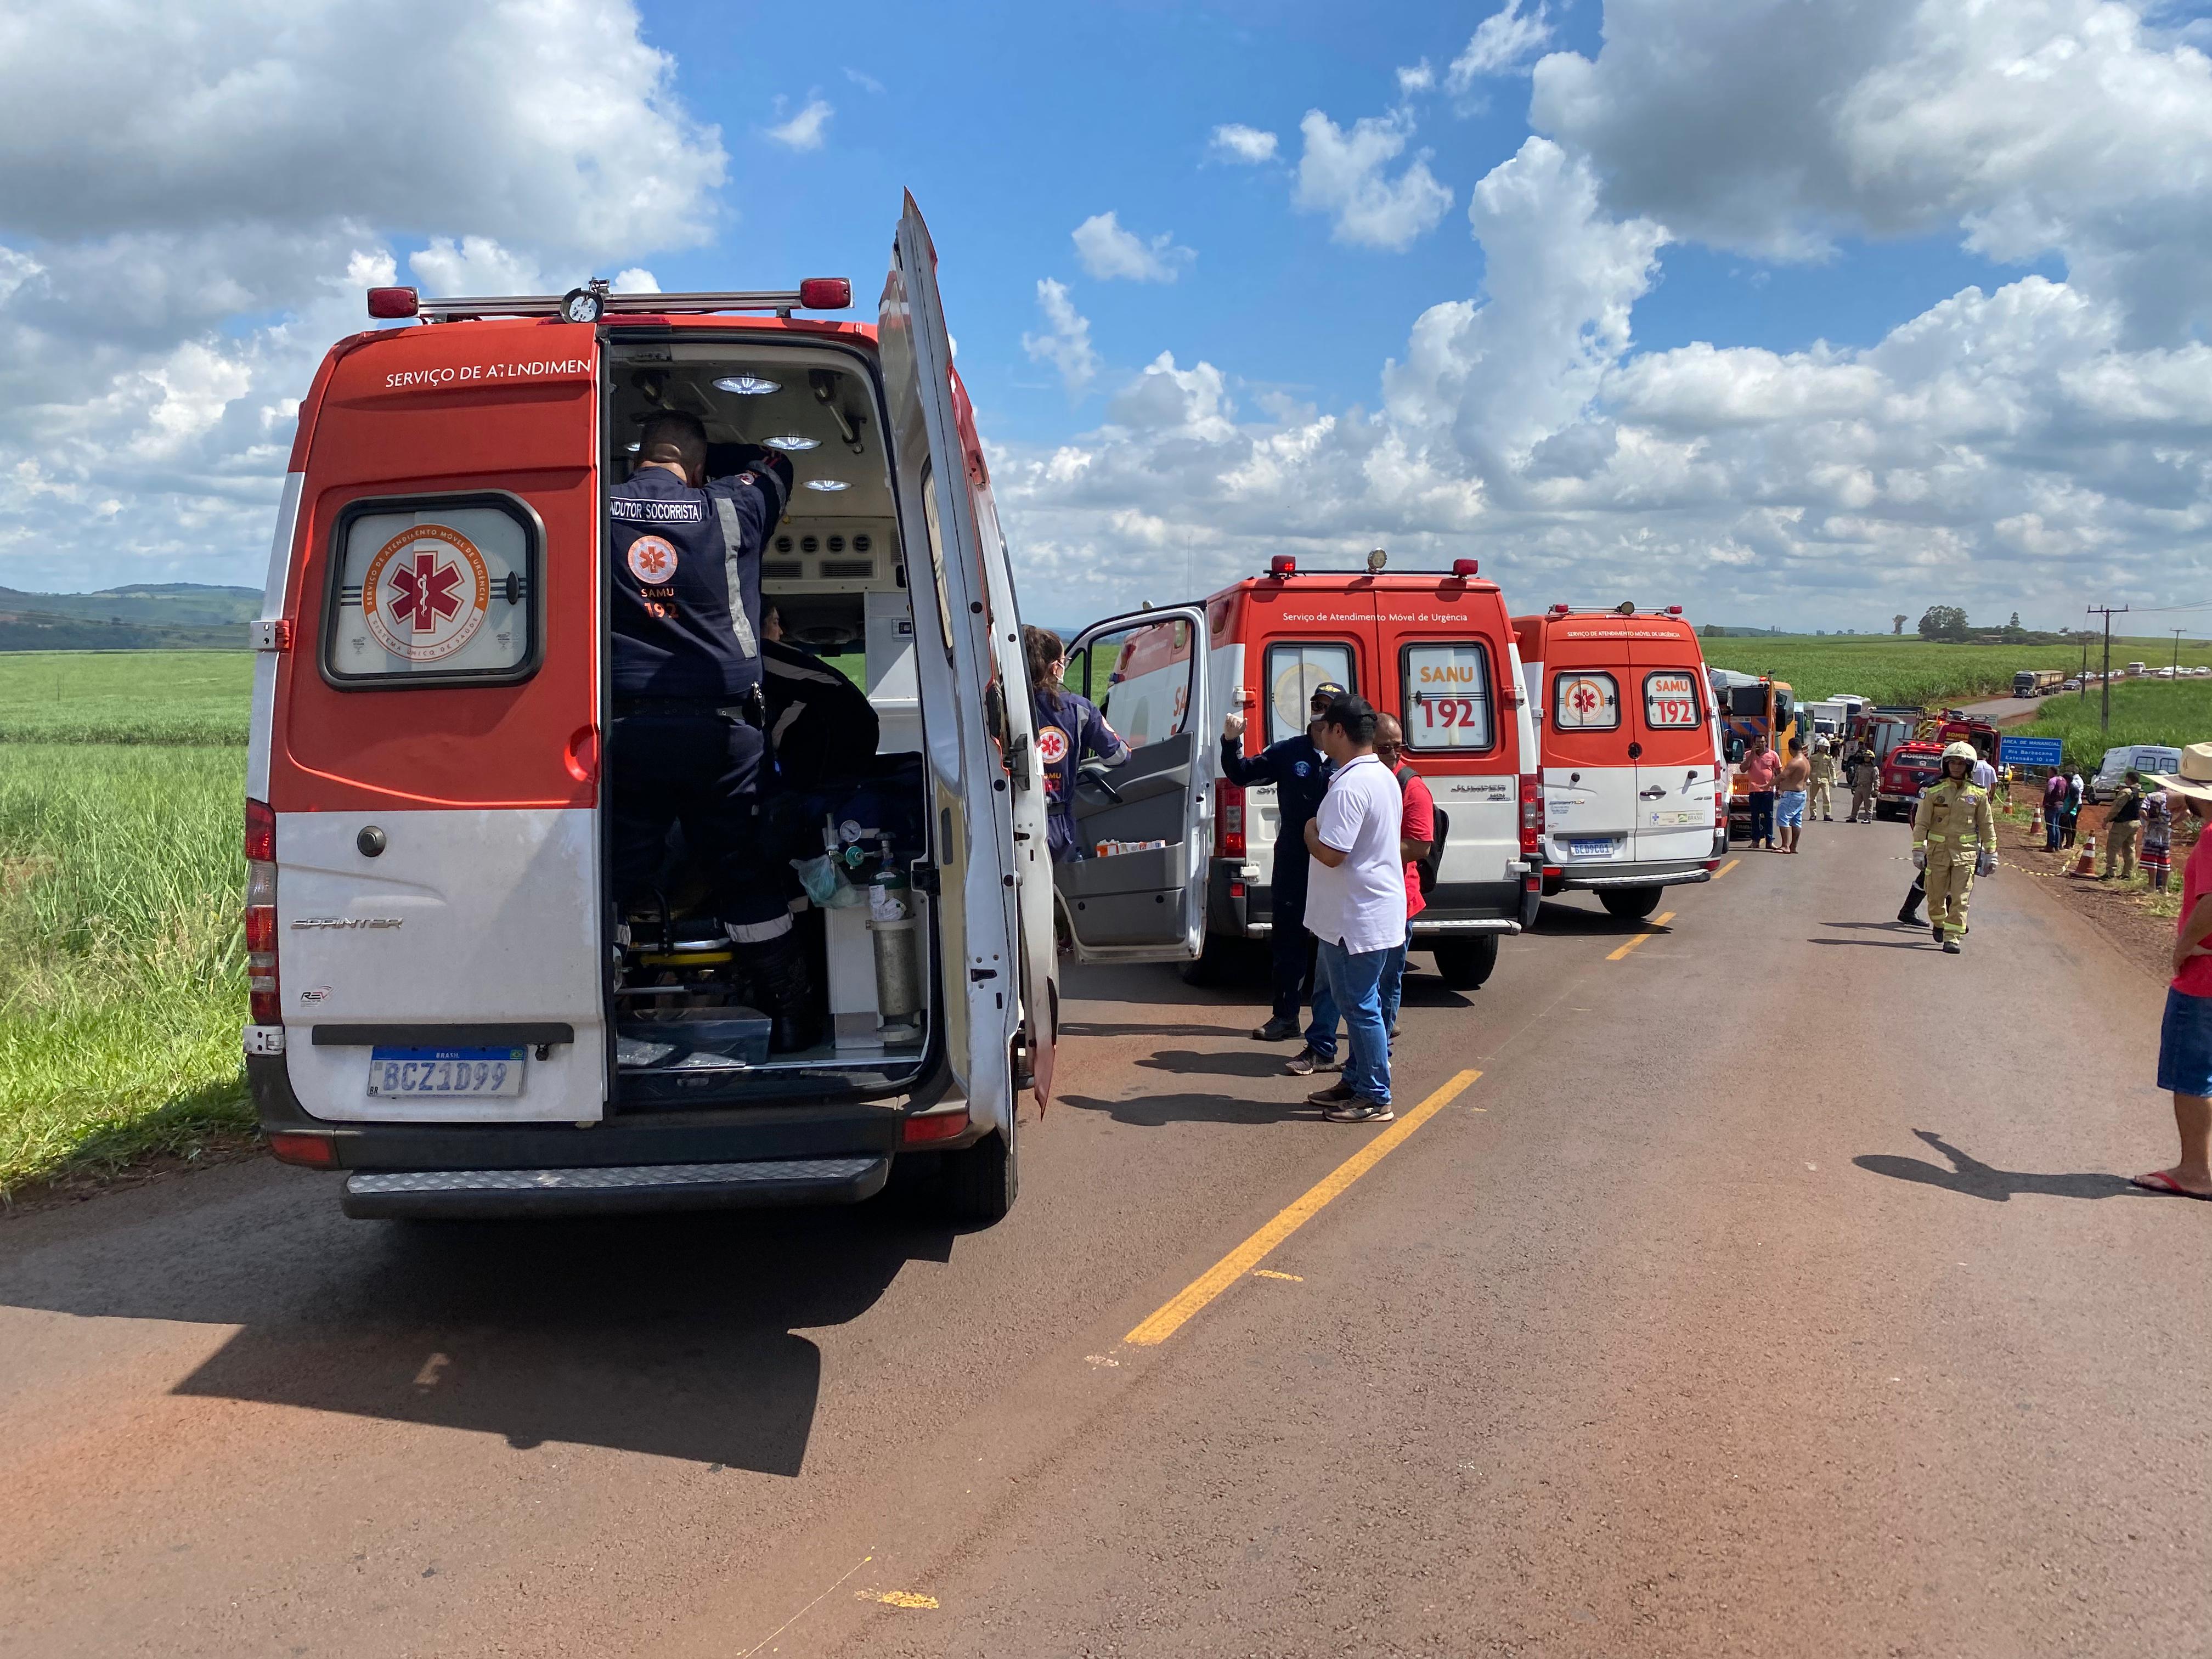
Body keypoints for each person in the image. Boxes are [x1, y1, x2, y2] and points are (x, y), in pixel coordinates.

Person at [608, 410, 818, 1049]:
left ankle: (605, 1021)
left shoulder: (593, 506)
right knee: (744, 872)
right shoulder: (730, 508)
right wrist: (705, 461)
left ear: (637, 459)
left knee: (608, 876)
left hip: (620, 737)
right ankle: (791, 1015)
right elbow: (777, 463)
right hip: (723, 740)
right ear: (698, 468)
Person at [1297, 693, 1406, 1124]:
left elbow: (1331, 853)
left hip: (1354, 917)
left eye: (1324, 727)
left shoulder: (1351, 785)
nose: (1320, 734)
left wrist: (1308, 830)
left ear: (1339, 731)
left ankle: (1376, 1095)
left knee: (1359, 1006)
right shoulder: (1379, 775)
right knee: (1361, 1003)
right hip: (1363, 911)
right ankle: (1358, 1081)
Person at [1224, 681, 1345, 1046]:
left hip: (1338, 860)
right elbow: (1242, 774)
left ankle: (1359, 1018)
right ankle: (1286, 1017)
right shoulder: (1290, 752)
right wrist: (1231, 742)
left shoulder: (1349, 757)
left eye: (1328, 705)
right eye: (1316, 703)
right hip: (1295, 856)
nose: (1320, 710)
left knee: (1343, 942)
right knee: (1289, 940)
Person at [2131, 743, 2212, 1201]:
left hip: (2204, 975)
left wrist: (2183, 947)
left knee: (2192, 1073)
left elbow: (2211, 902)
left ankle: (2195, 1170)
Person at [1026, 624, 1128, 865]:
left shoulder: (1005, 707)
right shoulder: (1078, 708)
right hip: (1056, 826)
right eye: (1065, 660)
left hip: (1010, 823)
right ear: (1055, 668)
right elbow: (1118, 756)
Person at [760, 602, 879, 791]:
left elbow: (818, 693)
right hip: (854, 734)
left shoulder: (764, 656)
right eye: (775, 623)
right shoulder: (784, 658)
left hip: (838, 734)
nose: (781, 632)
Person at [1911, 740, 1995, 954]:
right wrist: (1918, 850)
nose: (1957, 767)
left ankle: (1953, 937)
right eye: (1953, 762)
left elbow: (1986, 825)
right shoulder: (1933, 791)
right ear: (1945, 764)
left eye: (1961, 763)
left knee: (1961, 898)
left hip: (1966, 856)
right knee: (1935, 897)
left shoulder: (1979, 794)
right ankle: (1940, 924)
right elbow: (1921, 824)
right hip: (1937, 854)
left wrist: (1991, 853)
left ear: (1969, 766)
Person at [2103, 768, 2145, 882]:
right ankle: (2128, 874)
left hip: (2123, 823)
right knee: (2130, 849)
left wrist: (2107, 820)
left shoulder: (2127, 792)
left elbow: (2116, 809)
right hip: (2136, 823)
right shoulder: (2141, 792)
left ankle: (2110, 872)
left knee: (2113, 848)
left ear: (2129, 779)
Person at [1774, 738, 1812, 853]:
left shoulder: (1795, 761)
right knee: (1796, 820)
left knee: (1783, 818)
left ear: (1791, 748)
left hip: (1792, 794)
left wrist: (1768, 785)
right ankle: (1793, 846)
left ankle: (1785, 846)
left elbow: (1782, 776)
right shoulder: (1806, 761)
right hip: (1801, 794)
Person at [1742, 736, 1780, 848]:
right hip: (1754, 790)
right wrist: (1752, 755)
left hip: (1768, 790)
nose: (1761, 744)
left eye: (1763, 742)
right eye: (1758, 742)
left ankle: (1769, 841)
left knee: (1768, 816)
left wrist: (1779, 787)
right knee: (1755, 816)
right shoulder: (1749, 754)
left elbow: (1779, 772)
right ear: (1754, 743)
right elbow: (1743, 769)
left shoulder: (1773, 755)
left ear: (1766, 742)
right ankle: (1755, 841)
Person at [2142, 787, 2174, 894]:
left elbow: (2142, 811)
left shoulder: (2151, 796)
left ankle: (2152, 886)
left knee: (2152, 858)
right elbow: (2187, 813)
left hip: (2153, 831)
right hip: (2166, 832)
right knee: (2164, 859)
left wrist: (2149, 820)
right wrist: (2172, 823)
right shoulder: (2172, 798)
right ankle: (2164, 888)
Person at [1848, 743, 1878, 823]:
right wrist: (1854, 785)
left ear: (1871, 758)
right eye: (1865, 757)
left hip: (1868, 788)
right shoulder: (1860, 767)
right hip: (1859, 787)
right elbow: (1856, 776)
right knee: (1856, 803)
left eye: (1868, 757)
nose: (1866, 759)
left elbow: (1876, 779)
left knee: (1868, 804)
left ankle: (1868, 818)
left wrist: (1876, 789)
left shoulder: (1874, 769)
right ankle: (1853, 817)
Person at [1809, 738, 1837, 822]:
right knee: (1813, 798)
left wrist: (1834, 779)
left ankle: (1827, 814)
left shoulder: (1828, 758)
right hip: (1814, 780)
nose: (1824, 748)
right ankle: (1813, 815)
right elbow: (1809, 768)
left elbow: (1832, 769)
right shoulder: (1813, 757)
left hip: (1825, 781)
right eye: (1822, 746)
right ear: (1819, 747)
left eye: (1825, 747)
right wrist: (1807, 778)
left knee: (1827, 797)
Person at [2043, 770, 2068, 851]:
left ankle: (2051, 846)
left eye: (2049, 772)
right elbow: (2067, 793)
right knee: (2056, 826)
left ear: (2052, 772)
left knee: (2051, 826)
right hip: (2060, 806)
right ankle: (2057, 845)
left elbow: (2049, 792)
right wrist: (2062, 801)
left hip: (2052, 806)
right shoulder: (2063, 780)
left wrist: (2047, 803)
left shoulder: (2052, 781)